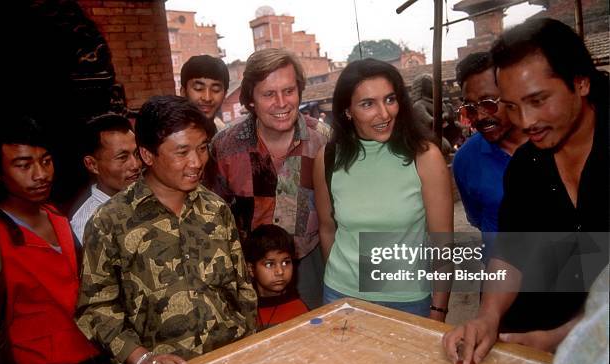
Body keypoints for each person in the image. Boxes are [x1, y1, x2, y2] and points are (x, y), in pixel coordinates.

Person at [443, 18, 609, 364]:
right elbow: (510, 253)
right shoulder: (526, 165)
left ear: (580, 82)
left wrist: (559, 339)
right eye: (513, 106)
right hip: (529, 338)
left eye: (538, 100)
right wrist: (488, 316)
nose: (525, 122)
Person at [76, 96, 257, 364]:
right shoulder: (109, 221)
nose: (196, 162)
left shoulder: (216, 210)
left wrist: (249, 343)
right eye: (182, 152)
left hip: (231, 362)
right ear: (148, 155)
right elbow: (96, 308)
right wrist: (140, 358)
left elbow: (241, 288)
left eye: (202, 148)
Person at [312, 58, 453, 320]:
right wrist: (342, 286)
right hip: (341, 298)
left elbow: (443, 244)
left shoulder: (424, 156)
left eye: (390, 99)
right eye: (368, 104)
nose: (385, 113)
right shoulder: (328, 158)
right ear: (347, 111)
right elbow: (327, 228)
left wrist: (439, 309)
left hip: (408, 302)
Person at [0, 116, 113, 364]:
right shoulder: (2, 236)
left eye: (46, 161)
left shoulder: (58, 217)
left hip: (94, 361)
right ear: (0, 173)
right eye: (23, 165)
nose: (40, 174)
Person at [210, 48, 329, 310]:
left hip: (310, 263)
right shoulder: (225, 147)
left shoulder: (323, 140)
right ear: (250, 99)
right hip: (247, 272)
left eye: (289, 91)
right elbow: (214, 218)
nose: (282, 103)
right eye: (268, 94)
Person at [452, 52, 528, 260]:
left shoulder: (551, 142)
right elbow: (477, 218)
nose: (480, 116)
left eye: (488, 103)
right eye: (470, 108)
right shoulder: (465, 160)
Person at [70, 113, 141, 243]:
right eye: (122, 157)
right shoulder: (88, 223)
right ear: (92, 165)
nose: (135, 165)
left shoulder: (151, 197)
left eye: (136, 154)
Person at [244, 224, 308, 331]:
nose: (280, 271)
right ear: (251, 269)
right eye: (269, 264)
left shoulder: (299, 311)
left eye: (285, 262)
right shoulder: (242, 310)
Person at [180, 55, 229, 131]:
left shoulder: (225, 136)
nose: (207, 98)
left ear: (225, 94)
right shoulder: (168, 136)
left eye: (216, 89)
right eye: (198, 88)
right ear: (183, 92)